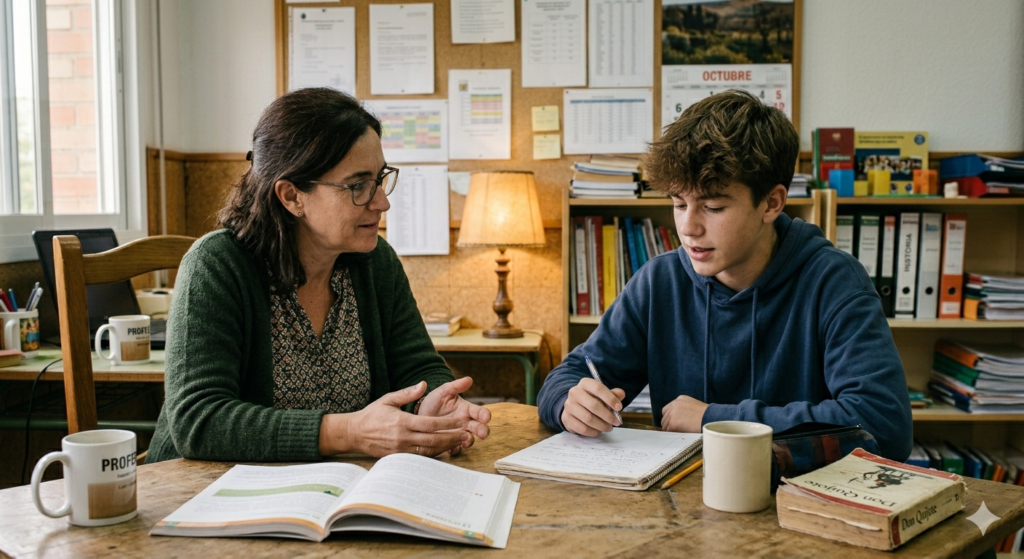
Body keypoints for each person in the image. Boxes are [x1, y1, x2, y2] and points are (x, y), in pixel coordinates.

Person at [538, 89, 912, 461]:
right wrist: (569, 402)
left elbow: (883, 426)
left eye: (713, 207)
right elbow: (570, 374)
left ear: (771, 202)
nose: (688, 228)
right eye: (679, 203)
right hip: (680, 502)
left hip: (792, 506)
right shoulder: (659, 282)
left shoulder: (835, 282)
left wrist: (714, 419)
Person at [147, 88, 490, 463]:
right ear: (292, 196)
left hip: (337, 487)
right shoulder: (216, 265)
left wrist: (434, 405)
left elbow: (418, 367)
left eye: (380, 178)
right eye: (358, 185)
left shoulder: (376, 263)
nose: (382, 202)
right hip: (204, 495)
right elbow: (199, 421)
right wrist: (349, 432)